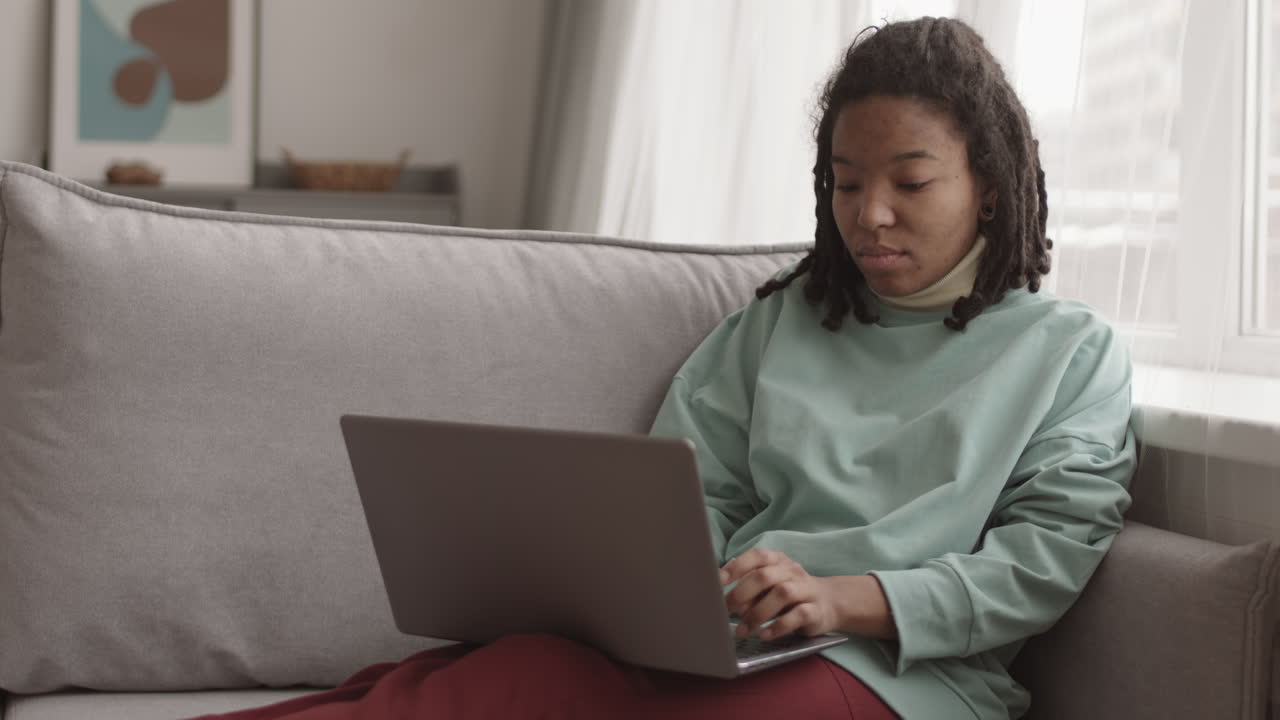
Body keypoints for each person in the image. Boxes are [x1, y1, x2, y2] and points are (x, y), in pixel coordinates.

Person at [190, 16, 1135, 720]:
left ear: (993, 184)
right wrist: (675, 593)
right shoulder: (780, 323)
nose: (870, 215)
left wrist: (843, 598)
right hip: (727, 644)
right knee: (498, 681)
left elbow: (1041, 562)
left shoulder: (1066, 353)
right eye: (846, 183)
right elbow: (688, 496)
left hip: (897, 680)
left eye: (911, 183)